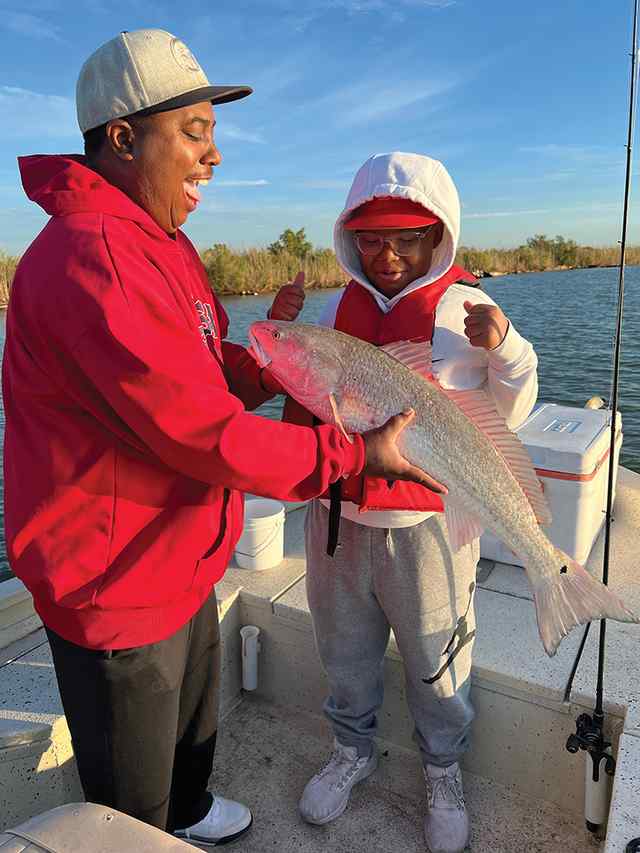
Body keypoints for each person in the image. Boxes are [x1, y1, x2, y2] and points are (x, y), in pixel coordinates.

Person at [1, 36, 444, 846]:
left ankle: (193, 806)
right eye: (196, 130)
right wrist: (352, 454)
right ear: (125, 137)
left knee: (192, 723)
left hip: (175, 553)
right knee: (129, 804)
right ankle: (151, 827)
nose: (215, 155)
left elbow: (197, 368)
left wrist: (276, 365)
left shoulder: (158, 239)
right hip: (116, 580)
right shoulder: (93, 259)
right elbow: (205, 435)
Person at [280, 152, 538, 853]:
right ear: (350, 238)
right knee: (345, 648)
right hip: (340, 521)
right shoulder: (337, 309)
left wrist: (508, 350)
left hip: (428, 524)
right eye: (370, 238)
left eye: (406, 237)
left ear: (437, 236)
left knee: (436, 655)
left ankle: (442, 769)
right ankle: (352, 751)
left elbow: (506, 415)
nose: (387, 254)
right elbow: (305, 405)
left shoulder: (464, 307)